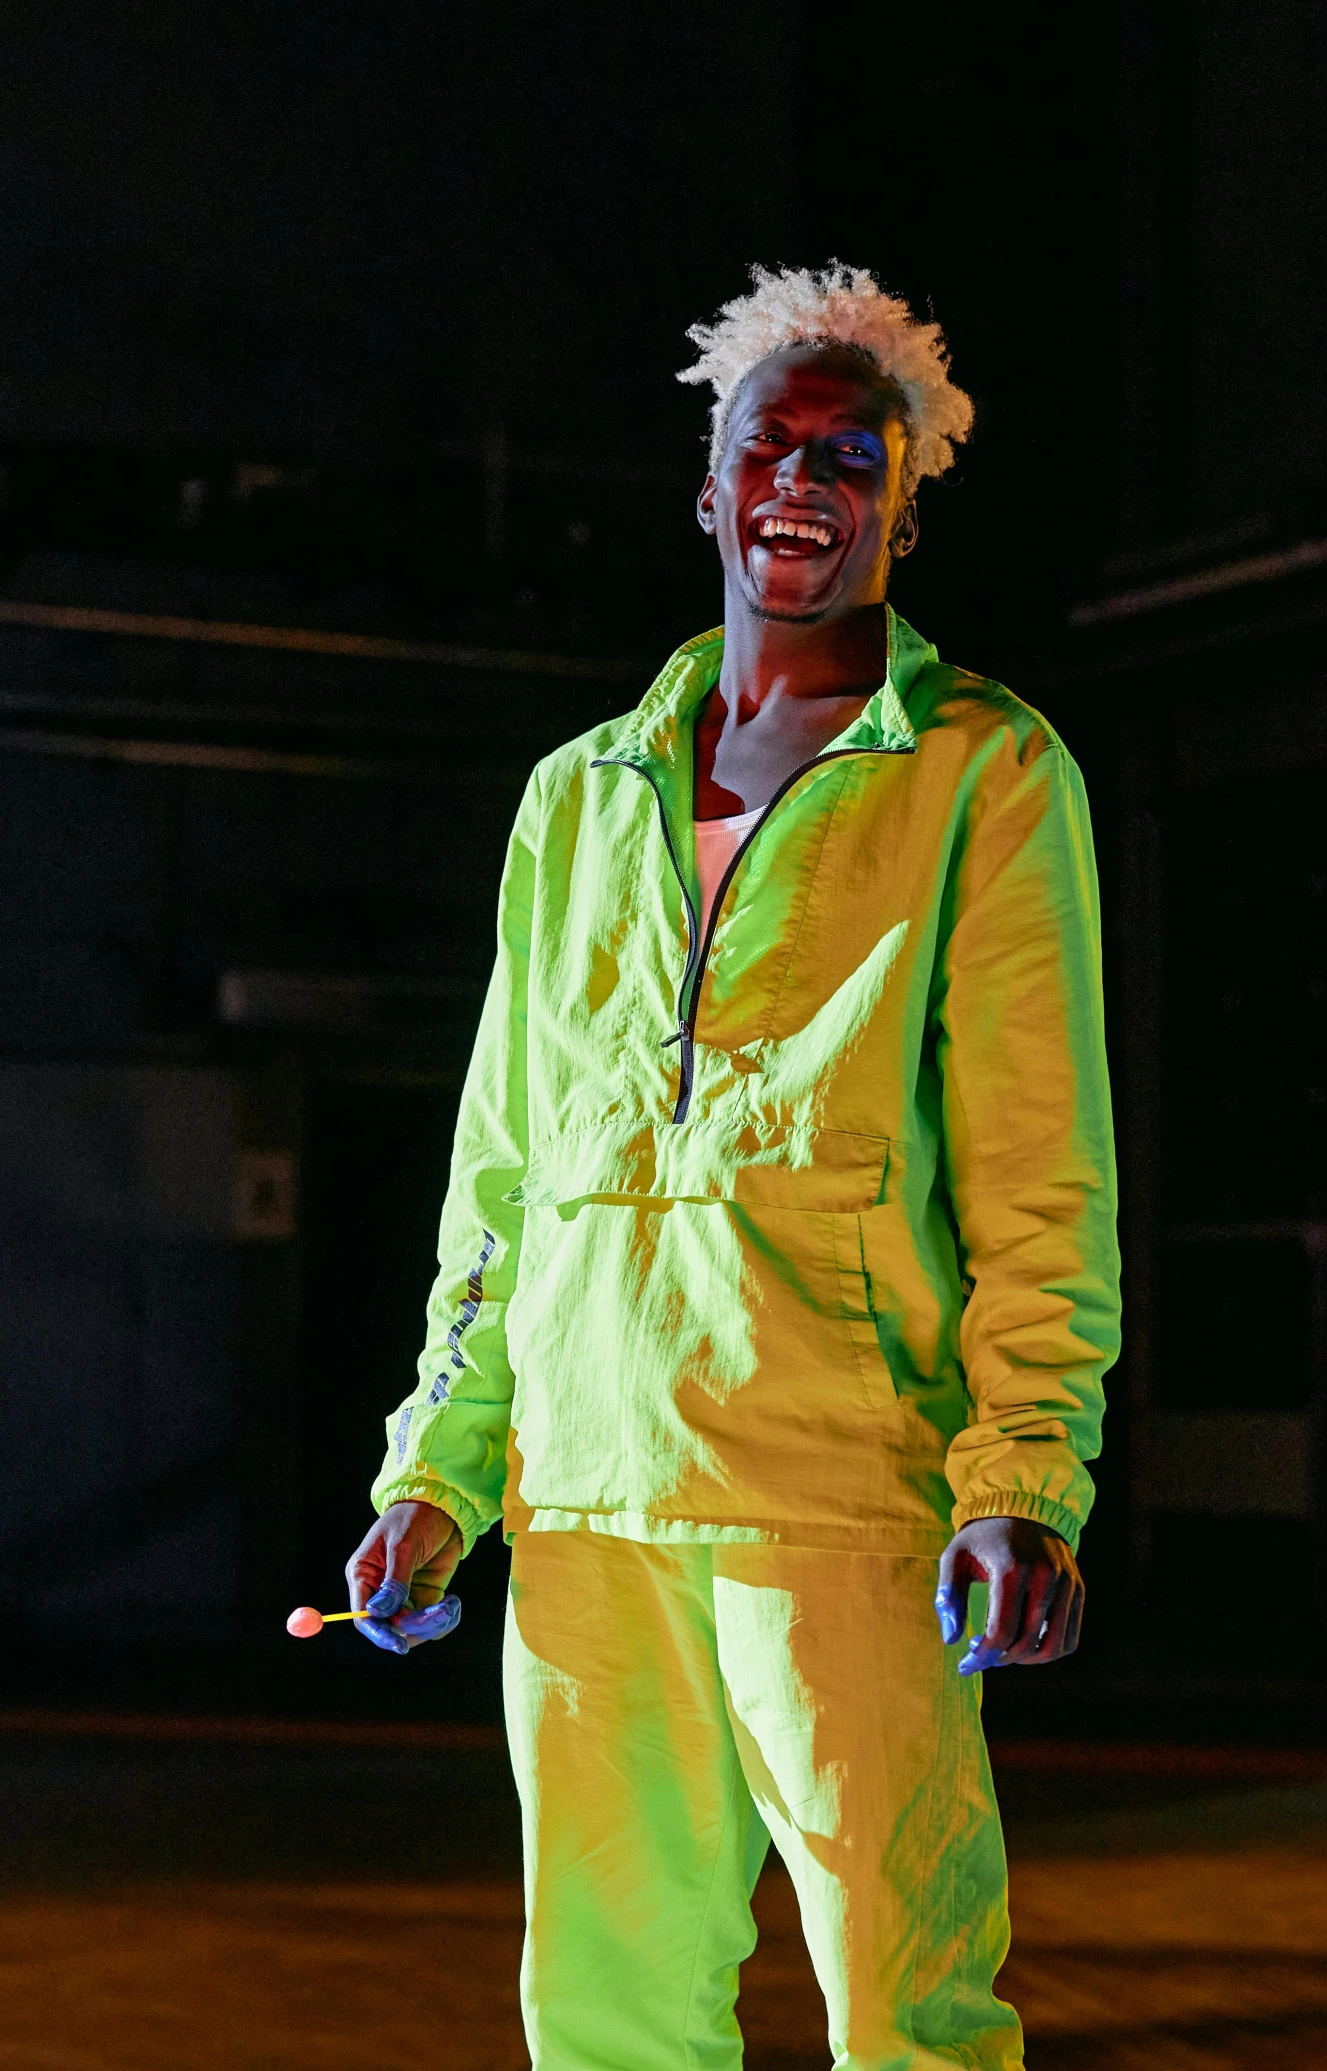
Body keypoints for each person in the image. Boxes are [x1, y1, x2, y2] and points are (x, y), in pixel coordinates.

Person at [345, 263, 1121, 2067]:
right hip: (589, 1492)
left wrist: (1025, 1471)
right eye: (768, 445)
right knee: (607, 2014)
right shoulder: (578, 795)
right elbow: (503, 1171)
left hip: (841, 1490)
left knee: (905, 2011)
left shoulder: (981, 772)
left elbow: (1037, 1167)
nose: (805, 480)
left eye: (855, 456)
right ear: (707, 486)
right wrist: (439, 1466)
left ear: (903, 506)